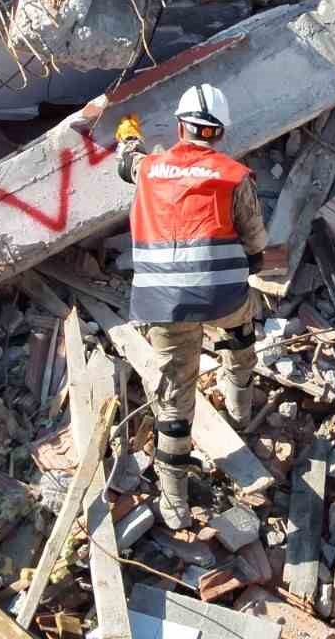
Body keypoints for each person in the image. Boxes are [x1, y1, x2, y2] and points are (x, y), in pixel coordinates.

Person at [114, 83, 267, 530]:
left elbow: (127, 161)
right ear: (219, 133)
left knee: (173, 399)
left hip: (162, 303)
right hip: (220, 296)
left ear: (180, 126)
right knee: (239, 340)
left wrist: (128, 135)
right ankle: (240, 413)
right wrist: (249, 261)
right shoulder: (232, 175)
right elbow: (256, 241)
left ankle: (174, 503)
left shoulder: (149, 168)